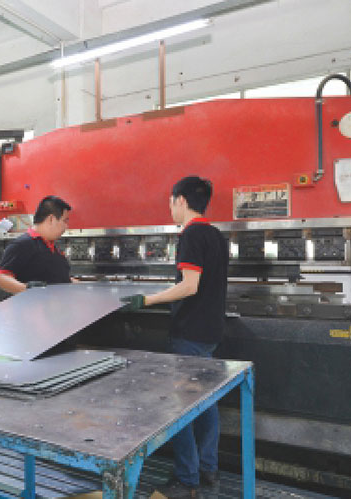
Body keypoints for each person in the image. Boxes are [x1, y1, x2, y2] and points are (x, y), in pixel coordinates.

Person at [121, 176, 228, 498]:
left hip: (190, 332)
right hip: (210, 331)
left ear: (180, 200)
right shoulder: (216, 235)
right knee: (205, 400)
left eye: (170, 203)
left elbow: (189, 286)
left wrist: (147, 299)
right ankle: (207, 469)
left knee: (180, 405)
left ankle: (186, 479)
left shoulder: (191, 234)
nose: (170, 209)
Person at [0, 195, 72, 294]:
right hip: (34, 303)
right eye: (65, 221)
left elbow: (60, 280)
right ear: (51, 219)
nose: (66, 226)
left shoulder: (53, 247)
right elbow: (1, 278)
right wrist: (27, 290)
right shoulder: (22, 245)